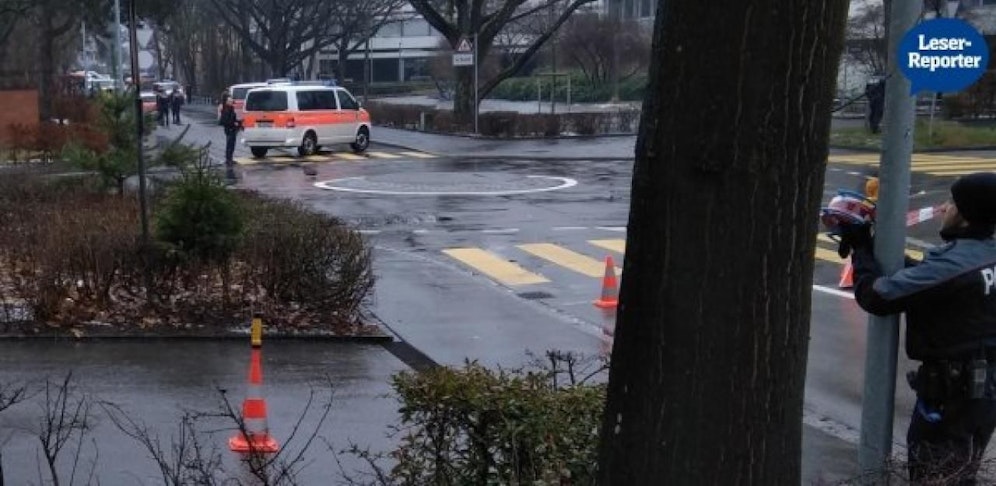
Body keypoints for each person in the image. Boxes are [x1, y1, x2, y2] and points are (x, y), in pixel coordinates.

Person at [838, 172, 996, 484]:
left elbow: (878, 296)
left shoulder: (952, 266)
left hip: (949, 401)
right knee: (961, 473)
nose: (945, 207)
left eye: (952, 202)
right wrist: (875, 248)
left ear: (965, 216)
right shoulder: (984, 257)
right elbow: (928, 280)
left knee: (934, 475)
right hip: (982, 396)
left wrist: (861, 249)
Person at [218, 94, 240, 180]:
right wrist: (234, 123)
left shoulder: (231, 108)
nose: (231, 102)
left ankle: (230, 158)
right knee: (229, 144)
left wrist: (238, 122)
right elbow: (226, 120)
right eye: (230, 101)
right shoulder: (226, 109)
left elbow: (233, 118)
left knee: (232, 144)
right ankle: (228, 159)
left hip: (232, 128)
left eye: (231, 101)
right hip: (229, 129)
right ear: (227, 102)